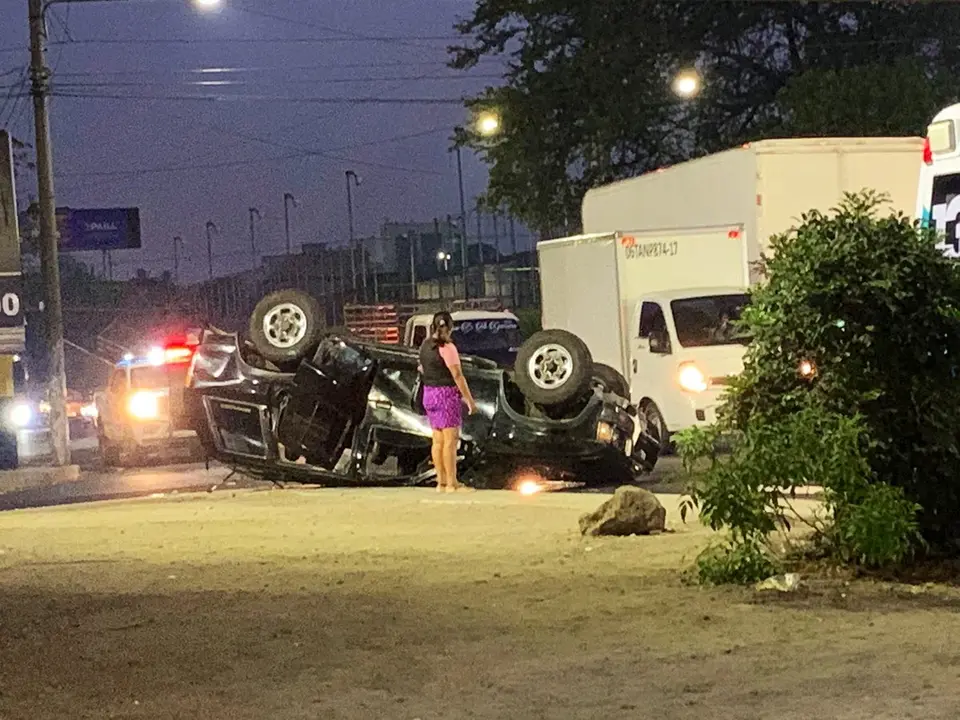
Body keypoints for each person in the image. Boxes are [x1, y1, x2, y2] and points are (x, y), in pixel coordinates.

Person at [418, 311, 477, 492]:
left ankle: (440, 482)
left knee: (437, 440)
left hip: (429, 394)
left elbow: (421, 367)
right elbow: (457, 375)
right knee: (450, 441)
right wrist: (469, 400)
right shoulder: (448, 348)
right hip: (446, 395)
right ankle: (452, 483)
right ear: (450, 327)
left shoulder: (425, 346)